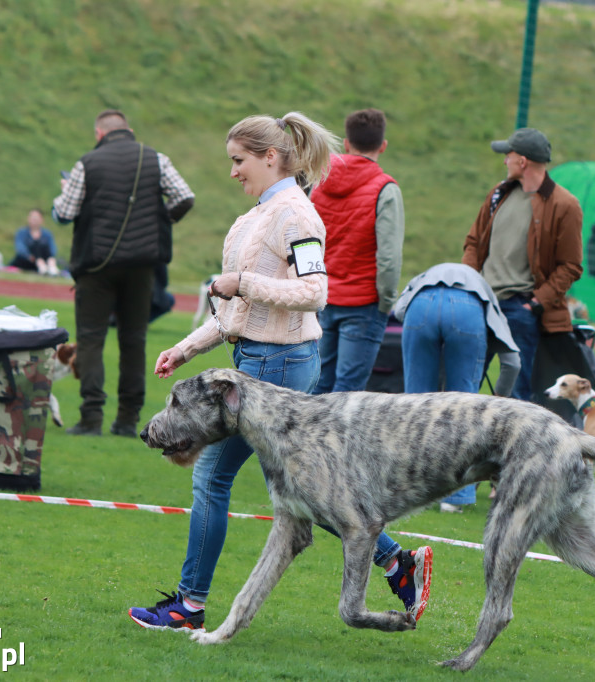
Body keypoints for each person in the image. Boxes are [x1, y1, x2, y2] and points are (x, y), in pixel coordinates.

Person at [132, 112, 431, 632]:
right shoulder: (261, 215)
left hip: (279, 369)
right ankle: (396, 561)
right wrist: (186, 349)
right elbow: (235, 313)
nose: (233, 172)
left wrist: (243, 282)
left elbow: (315, 293)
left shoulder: (296, 215)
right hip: (254, 363)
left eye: (239, 161)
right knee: (308, 490)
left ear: (270, 157)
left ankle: (189, 605)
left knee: (212, 478)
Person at [53, 109, 194, 437]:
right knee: (134, 339)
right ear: (128, 131)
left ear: (99, 134)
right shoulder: (156, 159)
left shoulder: (87, 163)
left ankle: (91, 418)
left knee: (90, 339)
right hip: (143, 265)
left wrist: (65, 190)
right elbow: (185, 197)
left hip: (95, 265)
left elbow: (64, 213)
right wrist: (160, 220)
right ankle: (128, 420)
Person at [461, 128, 583, 401]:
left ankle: (513, 445)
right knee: (464, 385)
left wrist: (535, 303)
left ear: (523, 161)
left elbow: (571, 266)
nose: (505, 160)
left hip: (520, 310)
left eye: (508, 155)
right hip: (481, 302)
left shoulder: (565, 205)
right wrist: (469, 283)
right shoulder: (498, 193)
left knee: (516, 396)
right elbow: (473, 243)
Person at [392, 262, 520, 512]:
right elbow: (512, 363)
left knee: (414, 409)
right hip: (467, 310)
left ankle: (408, 492)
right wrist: (499, 398)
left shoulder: (423, 276)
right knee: (464, 411)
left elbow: (399, 311)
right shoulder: (488, 300)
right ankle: (454, 500)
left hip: (418, 305)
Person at [310, 108, 405, 393]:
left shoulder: (319, 183)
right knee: (349, 391)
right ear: (383, 146)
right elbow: (389, 257)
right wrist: (387, 302)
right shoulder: (385, 190)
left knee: (318, 384)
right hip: (363, 304)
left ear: (347, 143)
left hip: (323, 297)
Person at [11, 208, 60, 276]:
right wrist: (31, 257)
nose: (35, 219)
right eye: (33, 217)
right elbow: (20, 248)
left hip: (45, 259)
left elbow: (52, 249)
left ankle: (51, 267)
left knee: (43, 247)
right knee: (34, 246)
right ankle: (43, 267)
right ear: (28, 218)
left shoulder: (47, 234)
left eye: (37, 217)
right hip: (26, 261)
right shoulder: (21, 232)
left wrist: (49, 258)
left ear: (41, 219)